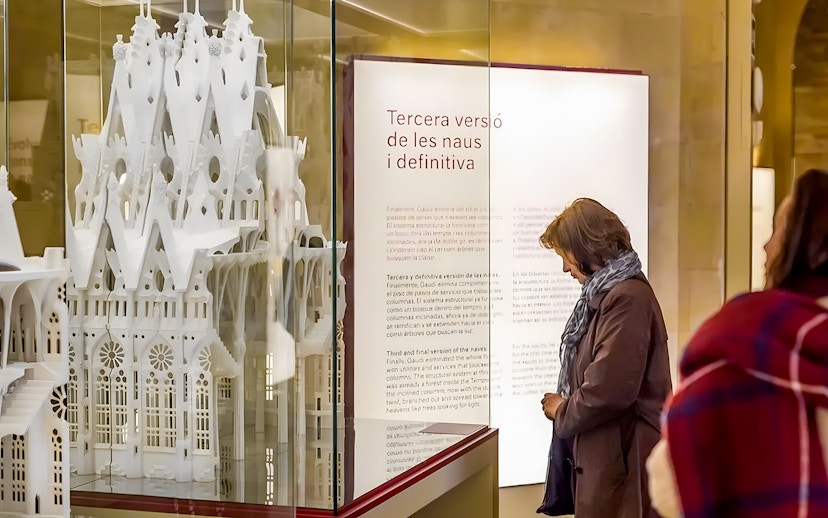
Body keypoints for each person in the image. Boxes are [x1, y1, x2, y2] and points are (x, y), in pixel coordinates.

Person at [646, 169, 828, 518]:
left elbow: (668, 484)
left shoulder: (733, 374)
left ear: (804, 246)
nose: (766, 245)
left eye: (778, 229)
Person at [539, 198, 672, 517]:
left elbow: (609, 389)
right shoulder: (610, 296)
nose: (565, 268)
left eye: (566, 255)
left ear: (586, 248)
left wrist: (562, 410)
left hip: (625, 468)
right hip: (613, 464)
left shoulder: (626, 299)